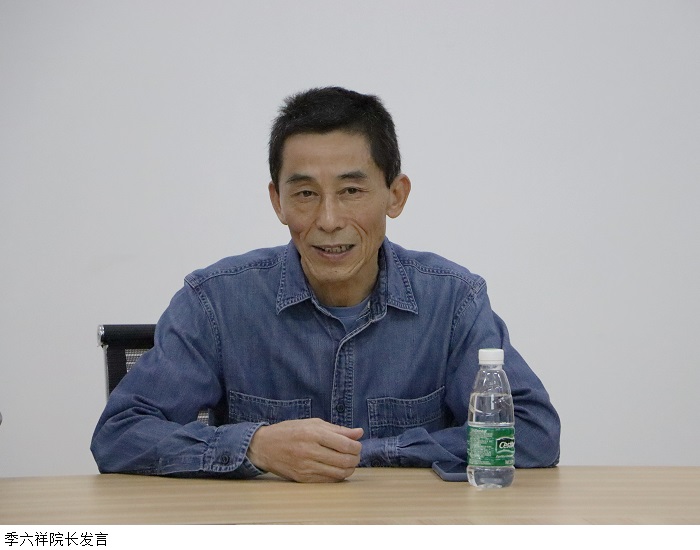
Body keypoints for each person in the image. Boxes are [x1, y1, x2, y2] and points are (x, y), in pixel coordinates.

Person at [91, 86, 560, 482]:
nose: (329, 220)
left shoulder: (453, 301)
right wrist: (254, 446)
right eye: (305, 193)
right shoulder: (216, 301)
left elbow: (533, 433)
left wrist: (369, 453)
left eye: (351, 191)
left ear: (395, 195)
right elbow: (119, 434)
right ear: (277, 201)